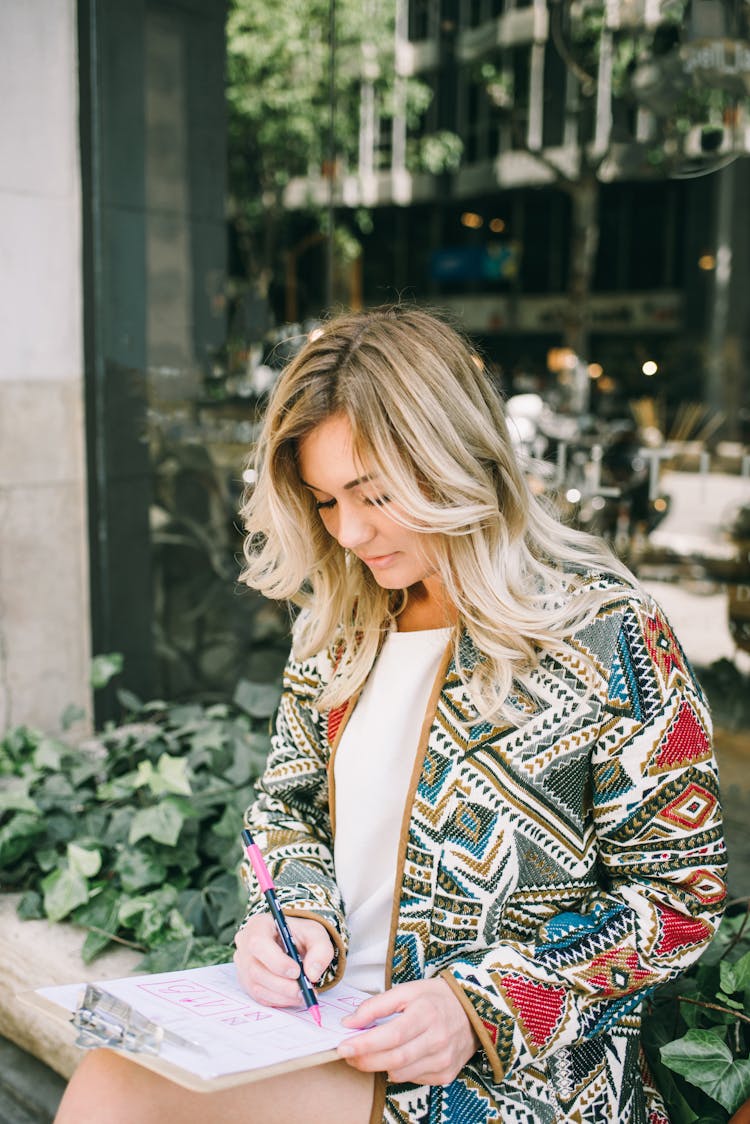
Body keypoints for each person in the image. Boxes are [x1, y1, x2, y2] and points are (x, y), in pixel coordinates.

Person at [55, 306, 727, 1124]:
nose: (350, 531)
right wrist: (293, 912)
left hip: (502, 1081)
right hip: (319, 1027)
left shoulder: (606, 633)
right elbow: (286, 808)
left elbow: (681, 897)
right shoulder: (341, 630)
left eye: (373, 494)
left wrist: (479, 1007)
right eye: (326, 500)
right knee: (110, 1083)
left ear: (456, 460)